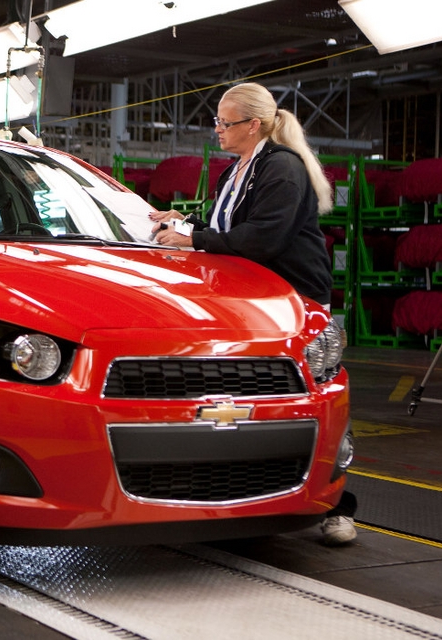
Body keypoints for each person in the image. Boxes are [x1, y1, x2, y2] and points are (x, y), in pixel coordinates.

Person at [149, 82, 357, 546]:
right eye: (217, 122)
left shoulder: (281, 169)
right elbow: (224, 228)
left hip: (292, 302)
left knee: (312, 400)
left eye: (225, 122)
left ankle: (335, 506)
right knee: (239, 405)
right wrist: (179, 224)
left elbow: (263, 239)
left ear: (253, 125)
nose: (217, 130)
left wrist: (194, 241)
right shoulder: (235, 172)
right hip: (246, 305)